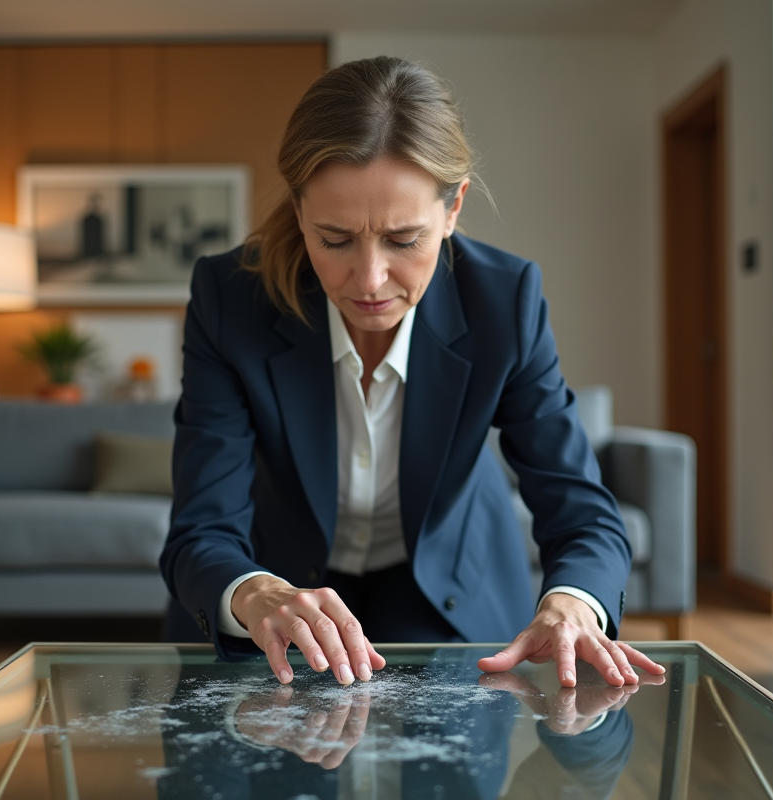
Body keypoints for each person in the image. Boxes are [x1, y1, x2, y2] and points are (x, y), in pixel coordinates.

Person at [160, 55, 664, 691]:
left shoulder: (503, 301)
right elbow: (200, 527)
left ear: (454, 207)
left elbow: (582, 510)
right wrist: (256, 593)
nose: (370, 281)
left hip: (450, 599)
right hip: (281, 597)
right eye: (335, 239)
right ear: (297, 209)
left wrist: (573, 602)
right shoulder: (229, 298)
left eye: (403, 240)